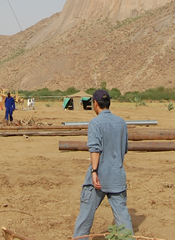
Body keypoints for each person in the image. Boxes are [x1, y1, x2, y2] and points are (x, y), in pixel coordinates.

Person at [73, 89, 133, 238]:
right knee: (122, 216)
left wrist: (94, 172)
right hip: (117, 176)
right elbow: (124, 149)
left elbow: (95, 149)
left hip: (98, 177)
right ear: (109, 103)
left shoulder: (95, 122)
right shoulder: (121, 122)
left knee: (85, 216)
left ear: (95, 103)